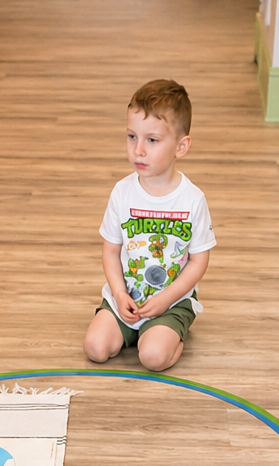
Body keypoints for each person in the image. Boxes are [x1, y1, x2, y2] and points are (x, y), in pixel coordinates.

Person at [81, 78, 216, 373]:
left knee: (153, 357)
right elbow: (111, 251)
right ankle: (134, 331)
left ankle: (171, 332)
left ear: (181, 146)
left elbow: (198, 261)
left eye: (152, 140)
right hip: (126, 298)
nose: (138, 150)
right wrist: (118, 294)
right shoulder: (121, 192)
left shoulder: (192, 200)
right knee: (95, 348)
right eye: (132, 137)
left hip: (172, 301)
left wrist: (166, 299)